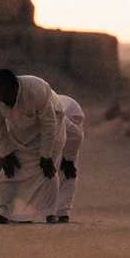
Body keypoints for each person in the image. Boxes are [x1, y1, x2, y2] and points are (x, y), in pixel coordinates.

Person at [0, 69, 66, 224]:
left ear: (16, 87)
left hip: (52, 126)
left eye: (5, 94)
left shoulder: (37, 89)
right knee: (9, 172)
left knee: (46, 170)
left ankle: (49, 213)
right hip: (20, 129)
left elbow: (49, 124)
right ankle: (3, 212)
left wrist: (46, 155)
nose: (2, 99)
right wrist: (5, 153)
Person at [47, 94, 84, 224]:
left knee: (67, 170)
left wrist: (69, 158)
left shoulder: (58, 118)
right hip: (56, 120)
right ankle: (48, 210)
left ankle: (62, 213)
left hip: (72, 115)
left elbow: (77, 135)